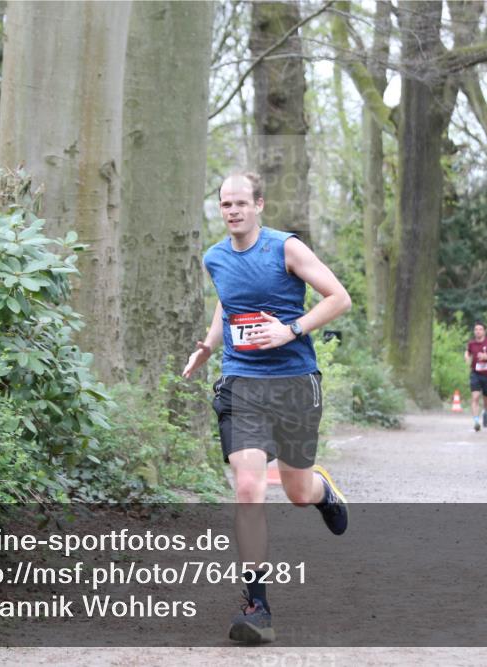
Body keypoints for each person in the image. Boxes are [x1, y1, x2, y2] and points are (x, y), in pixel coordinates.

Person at [181, 171, 352, 644]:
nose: (232, 210)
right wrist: (208, 346)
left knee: (296, 490)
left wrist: (291, 329)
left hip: (294, 381)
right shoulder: (215, 257)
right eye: (224, 204)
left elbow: (339, 298)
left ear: (258, 205)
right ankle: (257, 604)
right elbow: (227, 304)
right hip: (242, 384)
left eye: (240, 203)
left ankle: (323, 493)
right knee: (249, 485)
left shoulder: (285, 248)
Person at [464, 321, 487, 432]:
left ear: (484, 331)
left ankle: (485, 412)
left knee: (486, 399)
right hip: (475, 373)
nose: (478, 331)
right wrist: (466, 357)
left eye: (480, 329)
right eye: (476, 329)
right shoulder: (471, 343)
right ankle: (476, 421)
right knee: (475, 397)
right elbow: (468, 352)